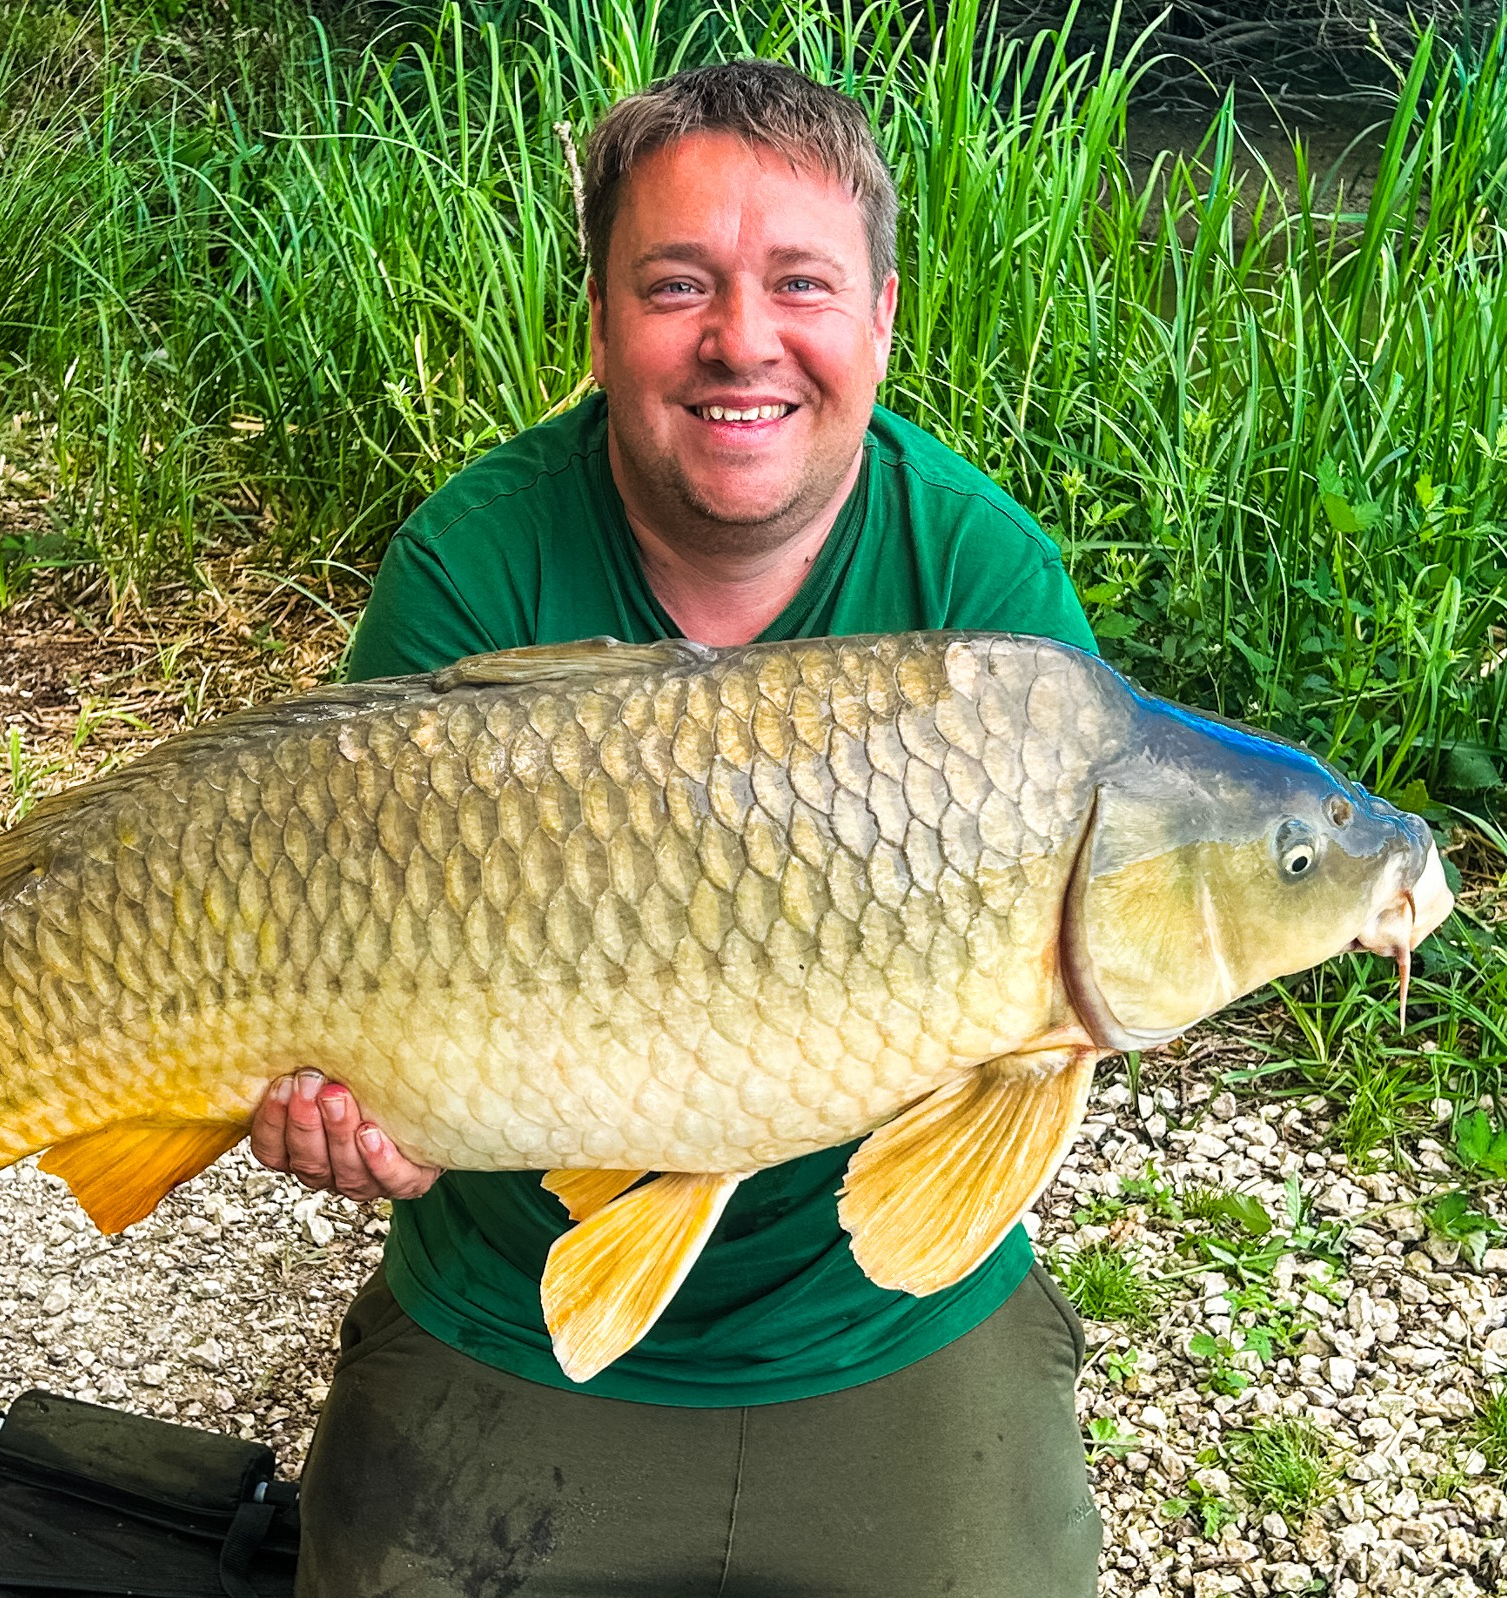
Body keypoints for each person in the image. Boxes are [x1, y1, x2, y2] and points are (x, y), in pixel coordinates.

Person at [251, 59, 1103, 1597]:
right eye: (678, 284)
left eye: (802, 284)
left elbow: (978, 1147)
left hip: (870, 1315)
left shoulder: (990, 596)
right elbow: (308, 908)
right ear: (598, 324)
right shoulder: (472, 565)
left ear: (882, 319)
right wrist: (340, 1114)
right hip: (512, 1300)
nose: (743, 339)